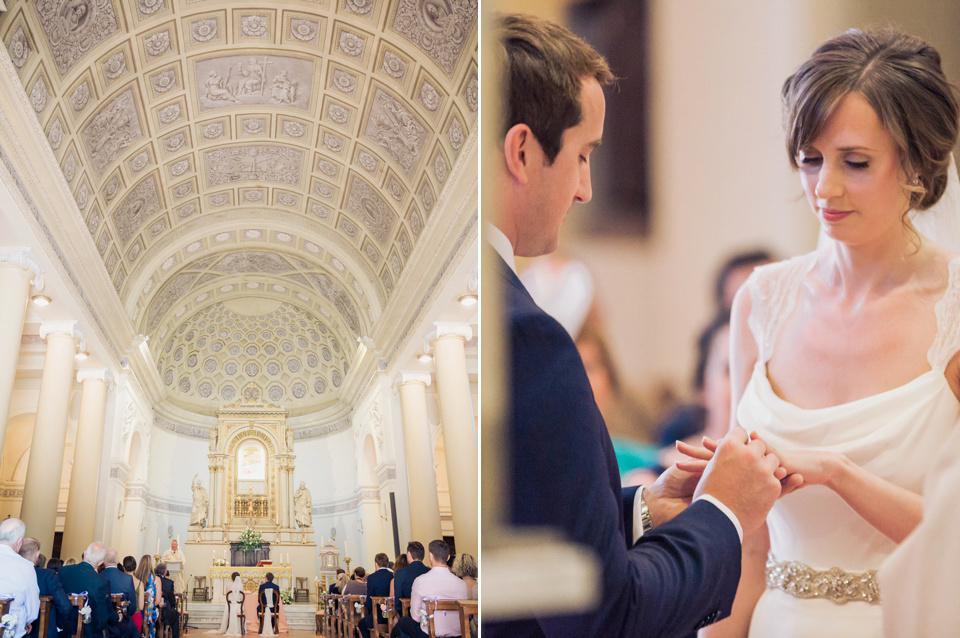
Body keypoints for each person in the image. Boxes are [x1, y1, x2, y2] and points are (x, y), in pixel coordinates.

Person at [485, 12, 786, 637]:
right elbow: (609, 619)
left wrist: (643, 510)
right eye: (583, 155)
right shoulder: (523, 335)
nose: (586, 189)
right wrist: (723, 511)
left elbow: (523, 531)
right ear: (521, 151)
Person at [688, 28, 960, 638]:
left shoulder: (956, 308)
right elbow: (748, 545)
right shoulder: (761, 301)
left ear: (915, 163)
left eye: (855, 163)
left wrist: (838, 472)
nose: (824, 189)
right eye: (810, 158)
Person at [394, 541, 466, 638]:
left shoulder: (421, 581)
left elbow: (415, 617)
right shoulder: (461, 584)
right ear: (448, 557)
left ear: (430, 556)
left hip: (430, 633)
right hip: (458, 634)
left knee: (403, 622)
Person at [19, 538, 70, 638]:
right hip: (45, 631)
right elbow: (65, 606)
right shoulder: (47, 576)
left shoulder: (10, 573)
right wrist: (57, 626)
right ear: (37, 554)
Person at [58, 542, 110, 638]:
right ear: (101, 562)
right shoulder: (100, 582)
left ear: (85, 553)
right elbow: (100, 621)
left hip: (62, 629)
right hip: (85, 632)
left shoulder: (63, 571)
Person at [0, 519, 40, 638]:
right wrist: (28, 622)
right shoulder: (25, 566)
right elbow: (32, 610)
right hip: (10, 633)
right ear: (19, 541)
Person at [100, 548, 138, 638]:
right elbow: (132, 608)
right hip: (122, 624)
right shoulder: (127, 579)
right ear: (117, 562)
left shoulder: (98, 576)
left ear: (104, 561)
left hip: (103, 623)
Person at [392, 542, 429, 625]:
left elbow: (398, 601)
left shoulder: (400, 573)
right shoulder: (429, 571)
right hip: (429, 616)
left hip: (408, 617)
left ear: (409, 554)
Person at [358, 554, 393, 638]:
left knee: (361, 624)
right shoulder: (393, 575)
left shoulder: (371, 577)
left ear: (376, 564)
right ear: (387, 564)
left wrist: (370, 612)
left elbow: (370, 602)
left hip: (377, 616)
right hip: (392, 615)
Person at [209, 572, 243, 636]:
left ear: (232, 578)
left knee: (228, 607)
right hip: (238, 606)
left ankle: (229, 627)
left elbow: (227, 596)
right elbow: (241, 597)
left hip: (230, 606)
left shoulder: (228, 585)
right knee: (242, 607)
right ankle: (240, 629)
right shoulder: (241, 586)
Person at [133, 555, 159, 638]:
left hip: (137, 611)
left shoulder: (135, 577)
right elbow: (157, 601)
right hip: (149, 612)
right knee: (154, 612)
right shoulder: (156, 579)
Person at [156, 564, 179, 638]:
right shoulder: (169, 582)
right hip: (165, 611)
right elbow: (172, 599)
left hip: (153, 609)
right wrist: (173, 606)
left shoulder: (152, 580)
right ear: (165, 572)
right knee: (176, 616)